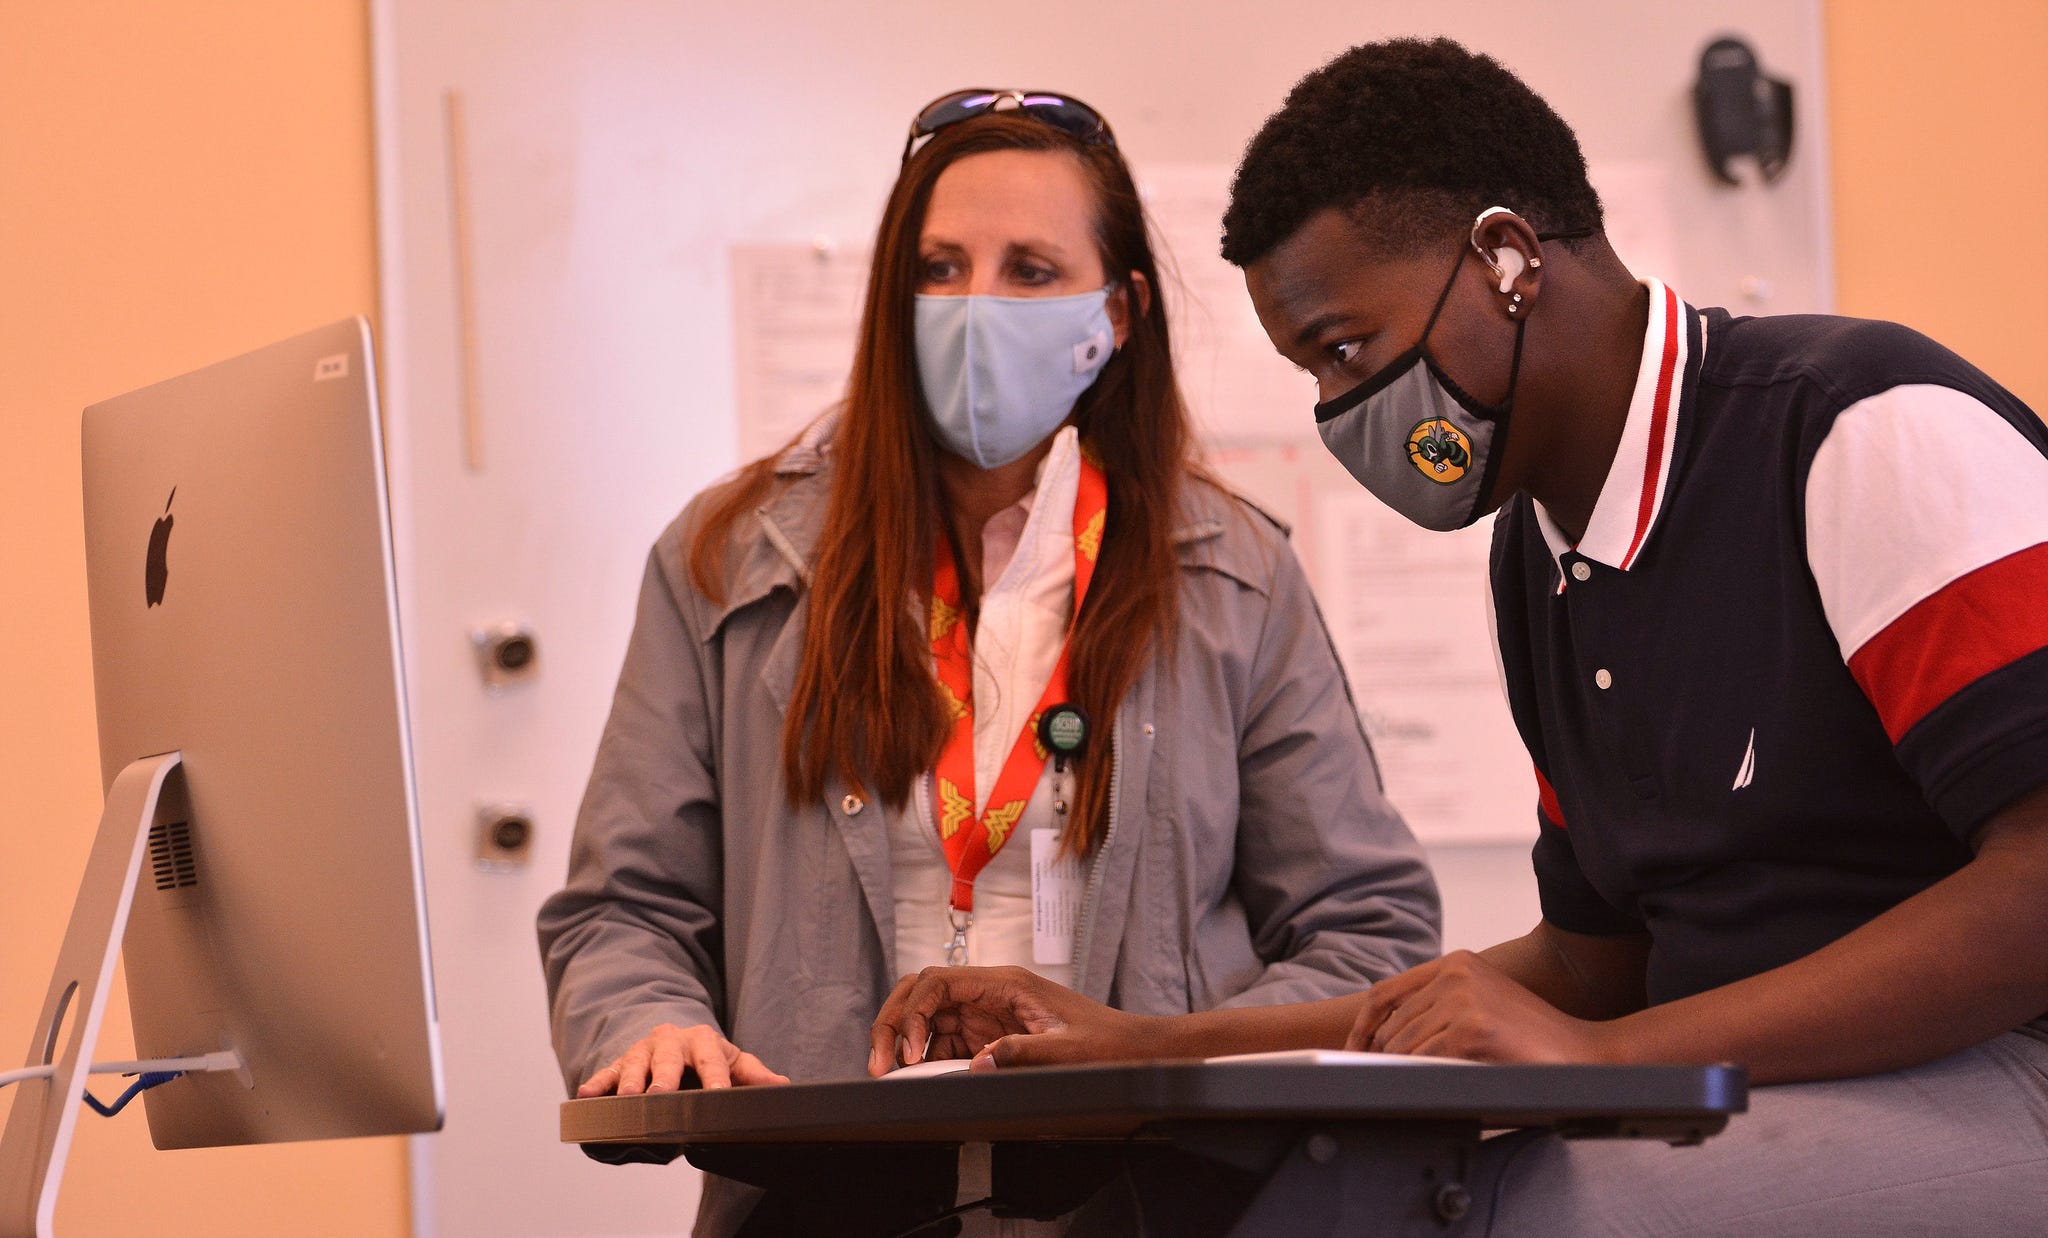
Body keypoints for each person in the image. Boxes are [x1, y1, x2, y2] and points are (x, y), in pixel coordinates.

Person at [871, 41, 2048, 1234]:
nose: (1340, 414)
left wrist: (1603, 1060)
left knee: (1502, 1213)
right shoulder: (1536, 550)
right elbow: (1591, 962)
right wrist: (1148, 1045)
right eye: (1311, 377)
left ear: (1503, 257)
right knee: (1245, 1187)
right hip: (1747, 1086)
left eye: (1346, 351)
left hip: (2003, 1071)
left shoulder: (1859, 425)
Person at [537, 88, 1441, 1234]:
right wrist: (647, 1023)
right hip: (821, 1198)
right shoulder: (725, 561)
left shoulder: (1235, 575)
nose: (974, 308)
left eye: (1027, 270)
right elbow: (622, 906)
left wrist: (1175, 1056)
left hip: (1156, 1195)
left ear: (1117, 312)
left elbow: (1368, 927)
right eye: (937, 266)